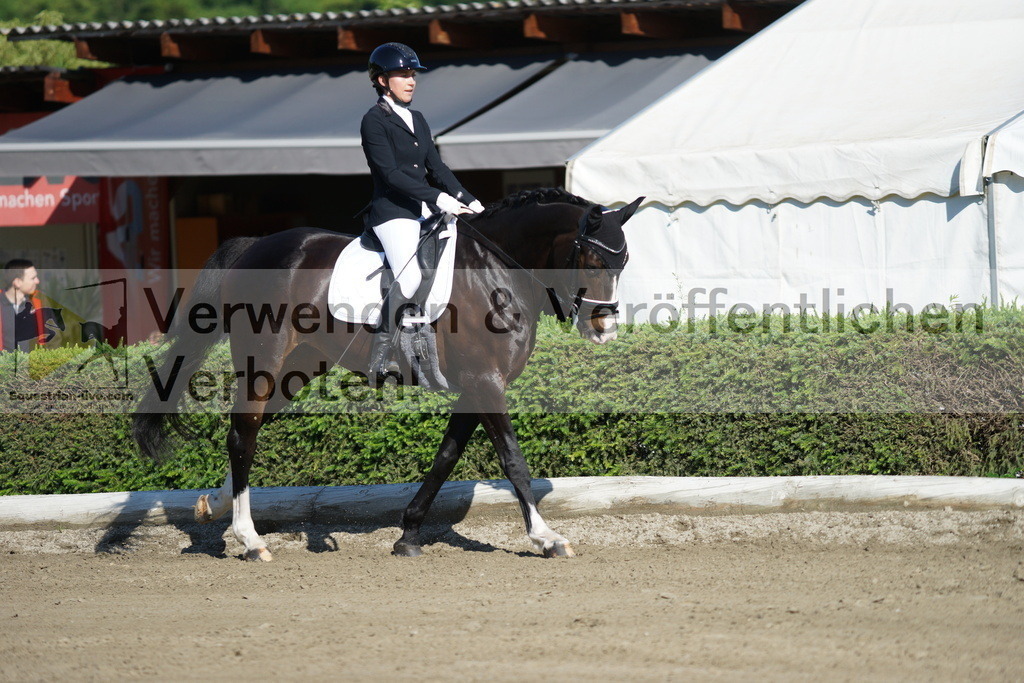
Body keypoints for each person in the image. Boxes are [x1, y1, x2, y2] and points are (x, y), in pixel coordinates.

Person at [360, 42, 484, 377]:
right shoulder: (374, 121)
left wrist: (469, 199)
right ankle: (381, 352)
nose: (411, 80)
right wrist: (437, 198)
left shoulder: (417, 118)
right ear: (383, 80)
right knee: (411, 275)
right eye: (403, 74)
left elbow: (437, 168)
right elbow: (391, 174)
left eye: (412, 73)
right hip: (393, 212)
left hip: (422, 209)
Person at [0, 259, 46, 353]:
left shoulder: (38, 304)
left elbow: (51, 339)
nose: (37, 281)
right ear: (17, 282)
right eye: (33, 278)